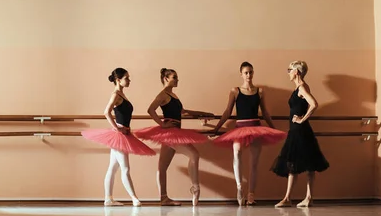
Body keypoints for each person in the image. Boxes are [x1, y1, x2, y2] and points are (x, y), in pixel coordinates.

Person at [207, 62, 285, 205]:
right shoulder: (235, 91)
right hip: (240, 128)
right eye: (246, 73)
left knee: (254, 163)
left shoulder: (260, 91)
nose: (249, 75)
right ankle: (239, 188)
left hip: (255, 127)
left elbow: (265, 113)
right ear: (241, 74)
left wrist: (274, 128)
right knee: (236, 153)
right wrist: (217, 129)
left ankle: (251, 195)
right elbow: (227, 111)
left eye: (250, 72)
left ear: (253, 73)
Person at [133, 68, 214, 206]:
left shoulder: (174, 96)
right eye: (174, 77)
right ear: (166, 79)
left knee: (162, 167)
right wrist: (162, 124)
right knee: (194, 155)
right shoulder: (163, 94)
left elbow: (183, 112)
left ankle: (163, 198)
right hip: (170, 133)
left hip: (175, 133)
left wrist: (204, 113)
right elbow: (151, 109)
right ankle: (195, 188)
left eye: (177, 77)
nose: (177, 80)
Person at [81, 68, 155, 206]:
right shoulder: (115, 94)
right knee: (125, 168)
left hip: (124, 133)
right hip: (119, 135)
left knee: (113, 168)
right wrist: (116, 127)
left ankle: (108, 199)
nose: (129, 80)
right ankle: (134, 198)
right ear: (118, 80)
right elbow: (106, 112)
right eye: (126, 78)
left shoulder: (121, 94)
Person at [272, 61, 329, 208]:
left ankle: (294, 198)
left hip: (300, 131)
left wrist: (302, 119)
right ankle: (295, 197)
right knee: (301, 163)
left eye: (289, 70)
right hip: (297, 131)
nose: (288, 72)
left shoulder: (302, 87)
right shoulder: (300, 87)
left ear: (296, 71)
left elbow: (314, 104)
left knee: (298, 163)